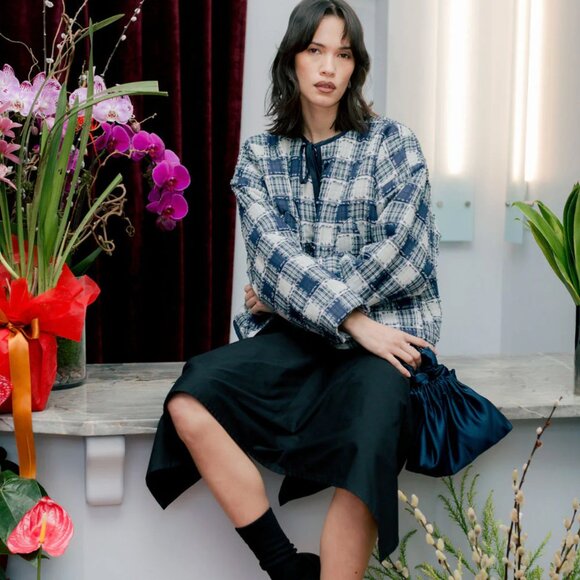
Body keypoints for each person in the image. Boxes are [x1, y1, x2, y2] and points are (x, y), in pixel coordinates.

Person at [146, 0, 442, 578]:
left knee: (368, 443)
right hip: (311, 340)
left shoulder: (393, 144)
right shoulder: (259, 157)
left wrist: (291, 293)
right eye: (315, 50)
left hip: (387, 346)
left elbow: (407, 254)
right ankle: (285, 567)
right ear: (292, 60)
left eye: (343, 54)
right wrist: (350, 318)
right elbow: (269, 258)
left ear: (356, 67)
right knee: (190, 397)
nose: (328, 66)